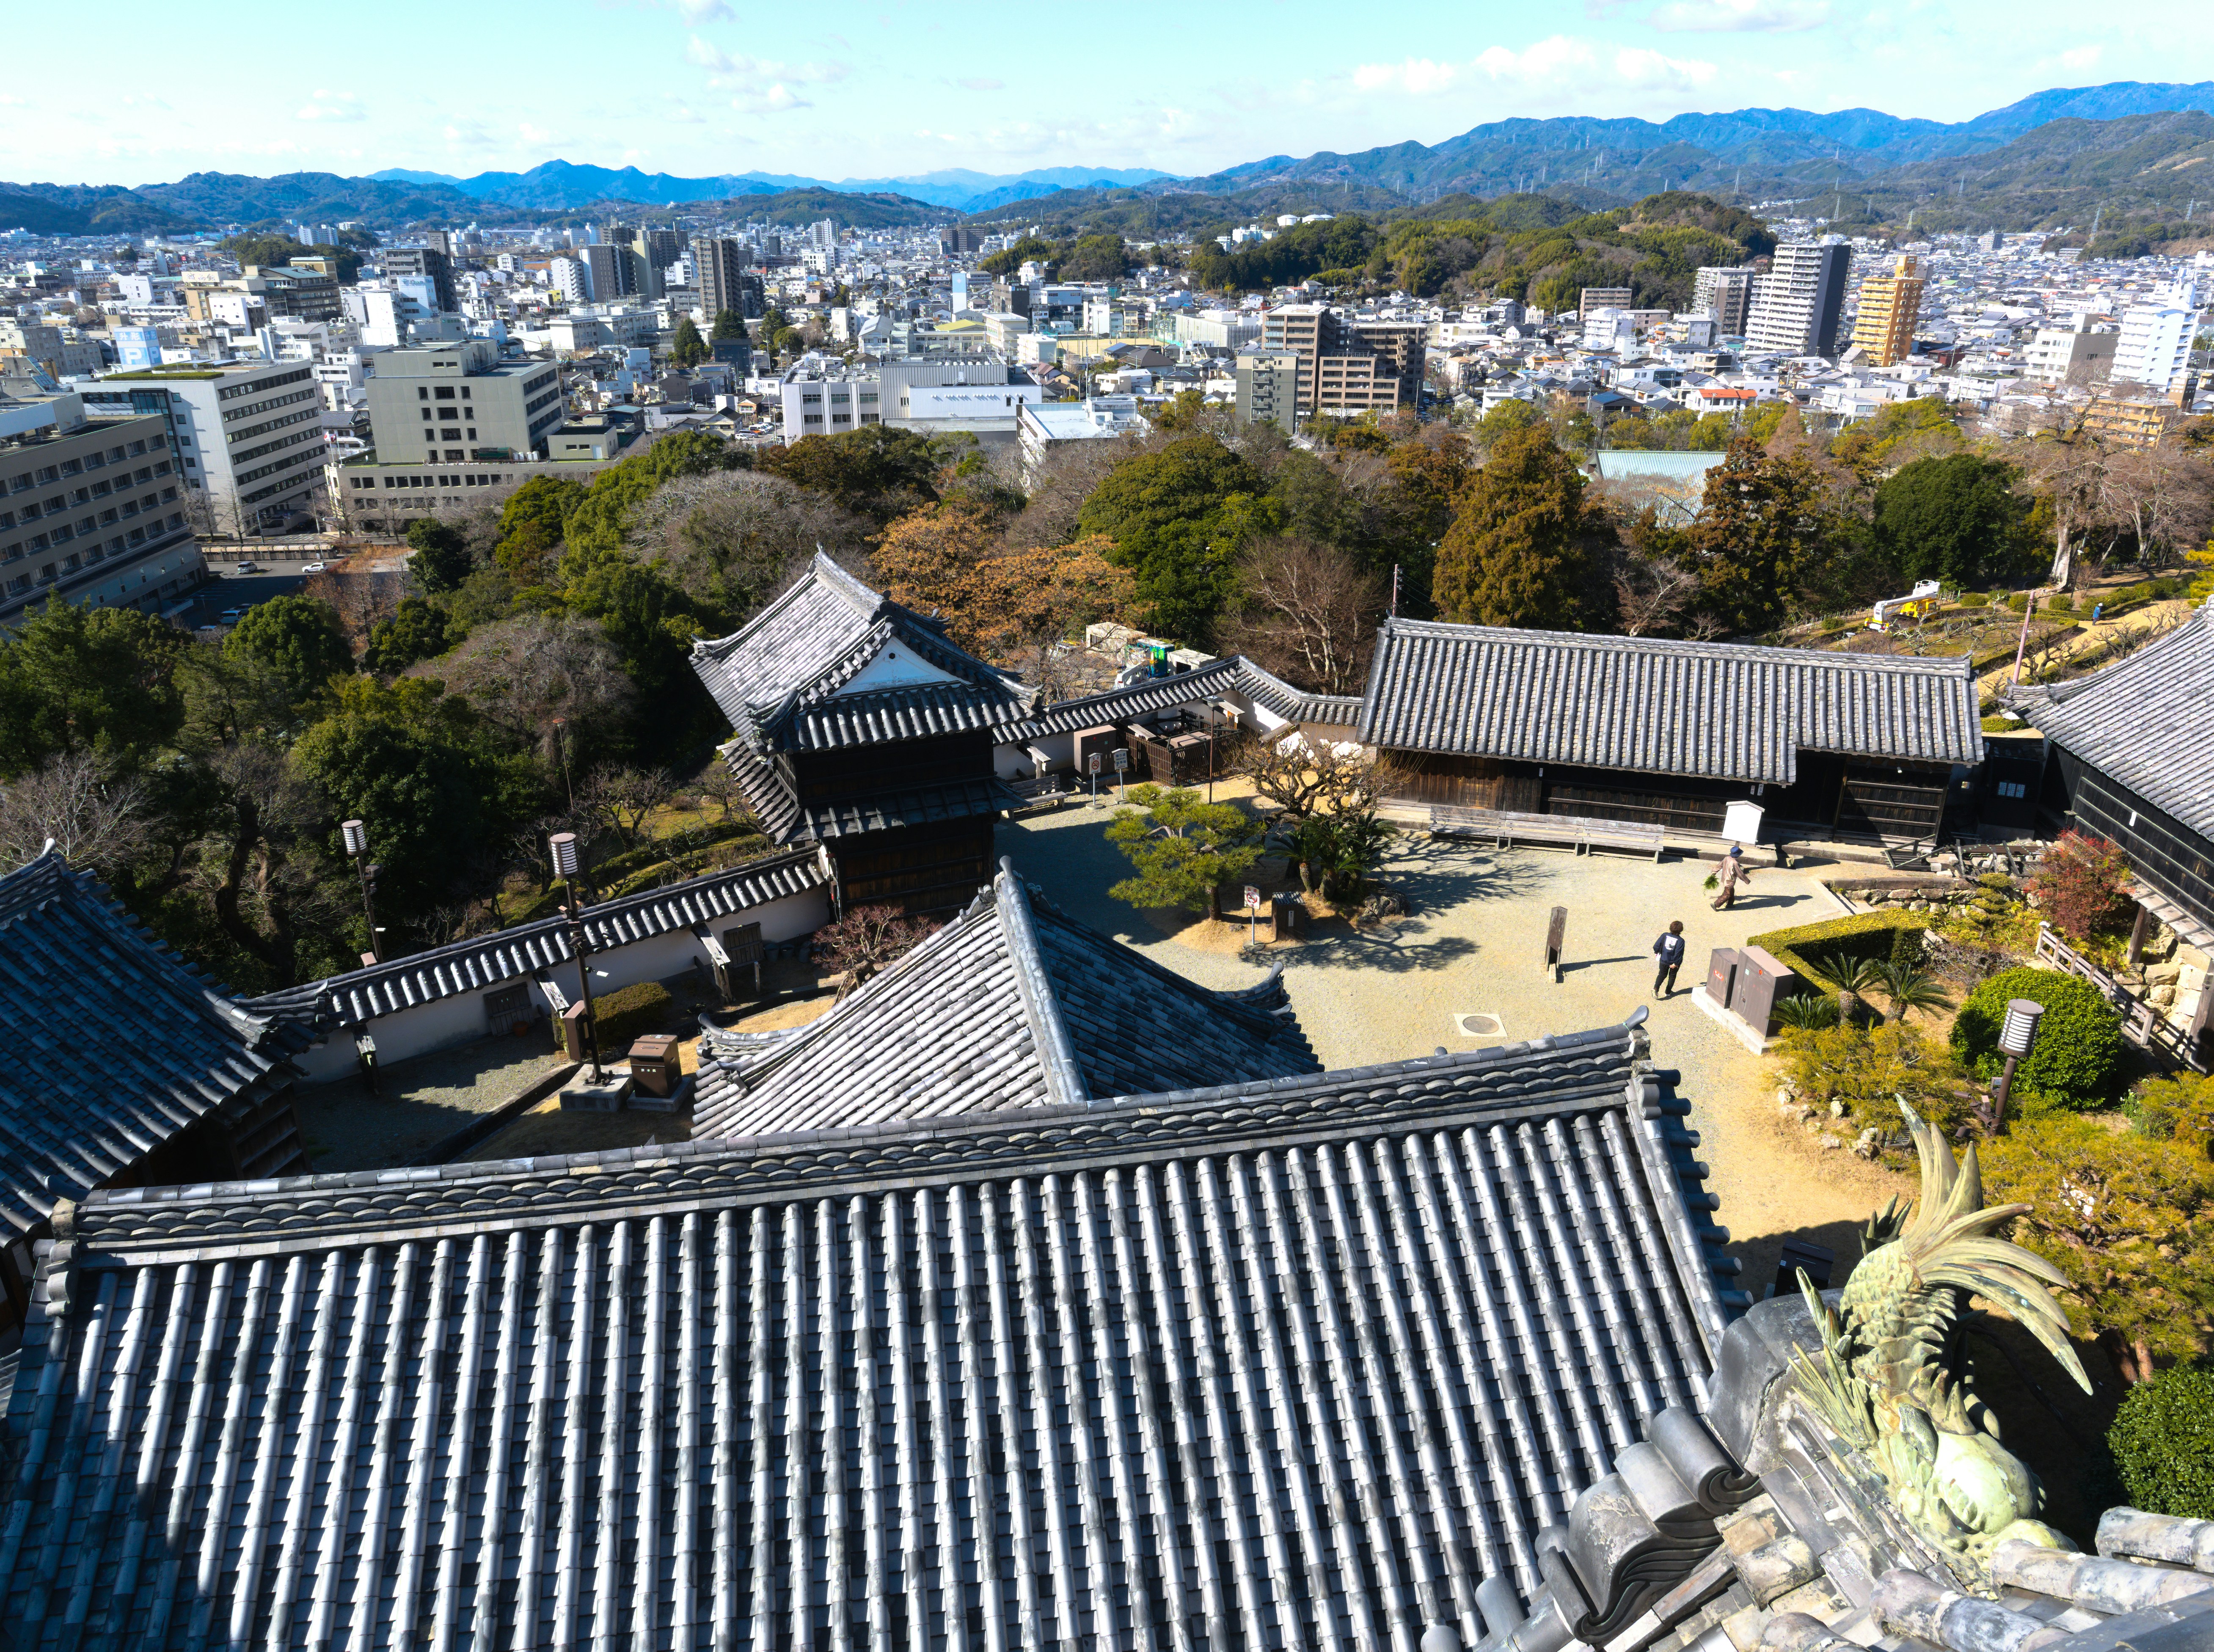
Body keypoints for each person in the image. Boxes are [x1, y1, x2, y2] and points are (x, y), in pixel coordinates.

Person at [1711, 843, 1752, 910]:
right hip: (1730, 881)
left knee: (1731, 892)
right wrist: (1747, 881)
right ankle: (1716, 904)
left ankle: (1730, 904)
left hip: (1725, 878)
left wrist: (1714, 871)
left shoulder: (1727, 858)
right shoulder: (1735, 863)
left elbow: (1720, 865)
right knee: (1727, 894)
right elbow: (1740, 874)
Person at [1652, 920, 1686, 998]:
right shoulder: (1681, 941)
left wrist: (1657, 952)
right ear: (1681, 930)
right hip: (1673, 963)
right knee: (1672, 976)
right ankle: (1668, 992)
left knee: (1662, 975)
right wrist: (1677, 963)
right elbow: (1679, 953)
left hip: (1664, 960)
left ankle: (1655, 989)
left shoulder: (1665, 935)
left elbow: (1657, 945)